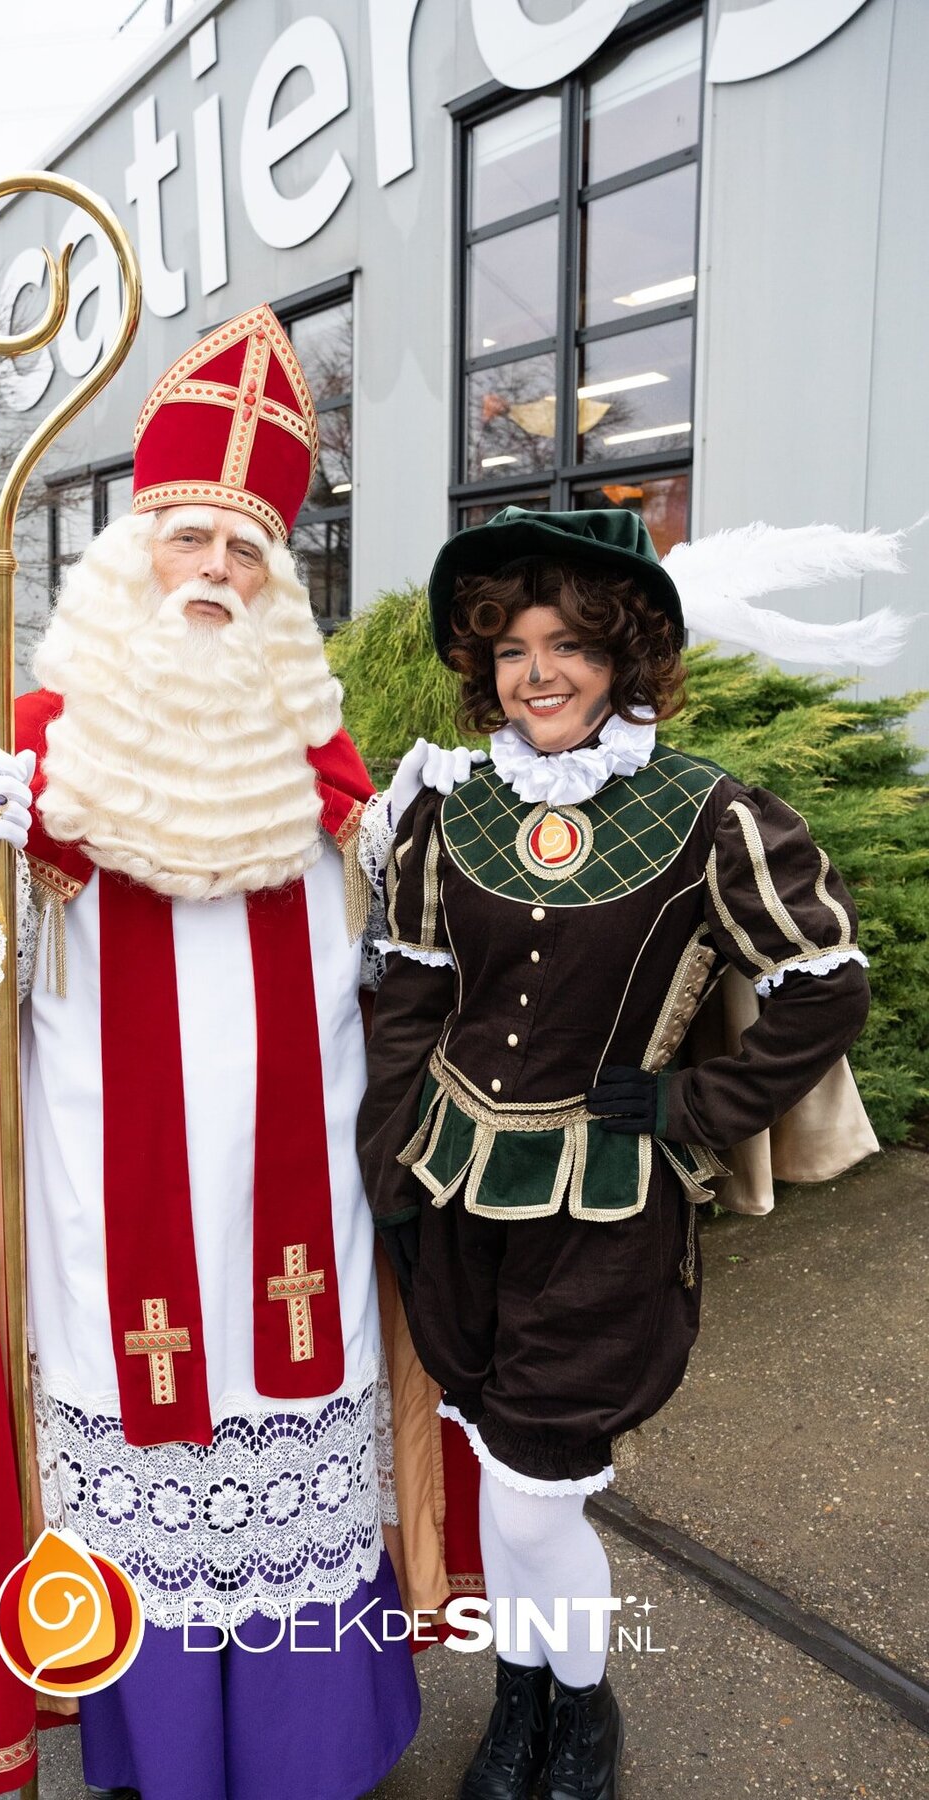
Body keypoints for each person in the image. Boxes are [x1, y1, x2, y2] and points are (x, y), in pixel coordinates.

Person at [0, 304, 459, 1800]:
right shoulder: (35, 750)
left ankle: (316, 1754)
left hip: (302, 1240)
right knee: (144, 1482)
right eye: (188, 538)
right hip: (113, 1226)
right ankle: (161, 1756)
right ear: (131, 548)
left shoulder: (327, 770)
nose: (214, 572)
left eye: (246, 551)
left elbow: (409, 978)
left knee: (300, 1458)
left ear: (277, 581)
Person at [357, 506, 888, 1800]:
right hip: (458, 1201)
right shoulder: (449, 811)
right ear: (484, 662)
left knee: (538, 1498)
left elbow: (827, 988)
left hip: (607, 1212)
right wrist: (395, 1150)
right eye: (513, 648)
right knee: (498, 1466)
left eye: (571, 647)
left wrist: (695, 1109)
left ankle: (582, 1718)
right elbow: (413, 994)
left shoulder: (712, 816)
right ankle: (526, 1700)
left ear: (625, 659)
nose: (538, 674)